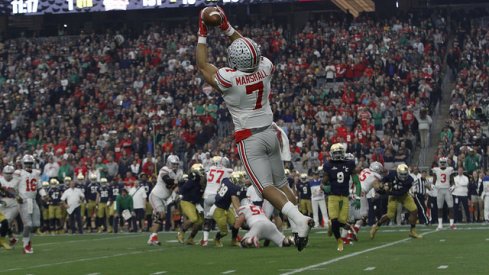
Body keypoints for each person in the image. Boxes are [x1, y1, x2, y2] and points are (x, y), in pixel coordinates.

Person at [195, 7, 312, 251]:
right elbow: (249, 51)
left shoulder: (230, 80)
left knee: (264, 187)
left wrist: (203, 32)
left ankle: (299, 220)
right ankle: (297, 218)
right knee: (282, 184)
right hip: (270, 132)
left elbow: (203, 65)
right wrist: (227, 27)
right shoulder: (266, 67)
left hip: (251, 139)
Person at [370, 164, 421, 240]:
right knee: (390, 215)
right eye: (402, 174)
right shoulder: (392, 174)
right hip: (393, 196)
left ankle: (412, 231)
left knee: (414, 210)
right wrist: (382, 184)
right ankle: (376, 226)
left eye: (405, 174)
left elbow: (401, 193)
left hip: (403, 195)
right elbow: (385, 179)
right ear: (398, 172)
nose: (404, 176)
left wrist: (387, 192)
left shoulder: (410, 180)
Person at [323, 143, 357, 252]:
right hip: (333, 196)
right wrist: (325, 187)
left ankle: (332, 225)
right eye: (335, 153)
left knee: (341, 221)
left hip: (345, 196)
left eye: (339, 153)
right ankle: (339, 241)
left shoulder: (350, 163)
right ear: (332, 154)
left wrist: (358, 197)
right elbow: (323, 183)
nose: (337, 155)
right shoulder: (328, 165)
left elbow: (356, 180)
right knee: (335, 221)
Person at [147, 155, 182, 245]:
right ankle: (153, 237)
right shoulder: (164, 169)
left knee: (159, 218)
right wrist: (177, 182)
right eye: (173, 164)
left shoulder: (178, 172)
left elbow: (177, 186)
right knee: (160, 215)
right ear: (169, 163)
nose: (175, 166)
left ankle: (152, 237)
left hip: (164, 199)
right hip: (156, 196)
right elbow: (167, 180)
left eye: (176, 164)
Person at [17, 154, 48, 254]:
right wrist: (17, 196)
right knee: (28, 225)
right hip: (24, 201)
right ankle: (26, 244)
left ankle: (27, 239)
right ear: (23, 163)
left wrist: (43, 195)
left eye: (30, 163)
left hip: (33, 200)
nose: (29, 165)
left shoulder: (36, 173)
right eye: (27, 163)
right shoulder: (19, 173)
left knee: (36, 224)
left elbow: (39, 187)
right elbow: (12, 187)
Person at [201, 157, 233, 246]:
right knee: (226, 217)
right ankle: (223, 236)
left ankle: (205, 240)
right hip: (218, 196)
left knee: (207, 220)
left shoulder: (210, 169)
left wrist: (206, 189)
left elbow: (203, 180)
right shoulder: (227, 171)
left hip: (207, 196)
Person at [177, 164, 206, 245]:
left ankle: (190, 238)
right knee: (193, 219)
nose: (203, 173)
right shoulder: (192, 182)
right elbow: (181, 190)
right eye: (201, 172)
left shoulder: (201, 182)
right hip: (187, 201)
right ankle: (180, 232)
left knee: (200, 221)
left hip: (195, 203)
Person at [432, 157, 456, 230]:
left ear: (446, 163)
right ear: (439, 162)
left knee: (451, 207)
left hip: (447, 189)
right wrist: (432, 185)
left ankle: (451, 224)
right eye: (441, 162)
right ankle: (440, 224)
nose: (442, 164)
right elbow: (434, 180)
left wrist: (453, 186)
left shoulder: (449, 169)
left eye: (443, 162)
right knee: (439, 208)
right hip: (439, 190)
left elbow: (452, 180)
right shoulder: (436, 170)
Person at [0, 165, 20, 245]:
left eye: (10, 173)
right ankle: (12, 238)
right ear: (3, 173)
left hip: (14, 203)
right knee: (3, 222)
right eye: (6, 173)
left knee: (6, 221)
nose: (8, 175)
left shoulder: (18, 180)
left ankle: (2, 240)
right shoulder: (0, 180)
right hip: (2, 203)